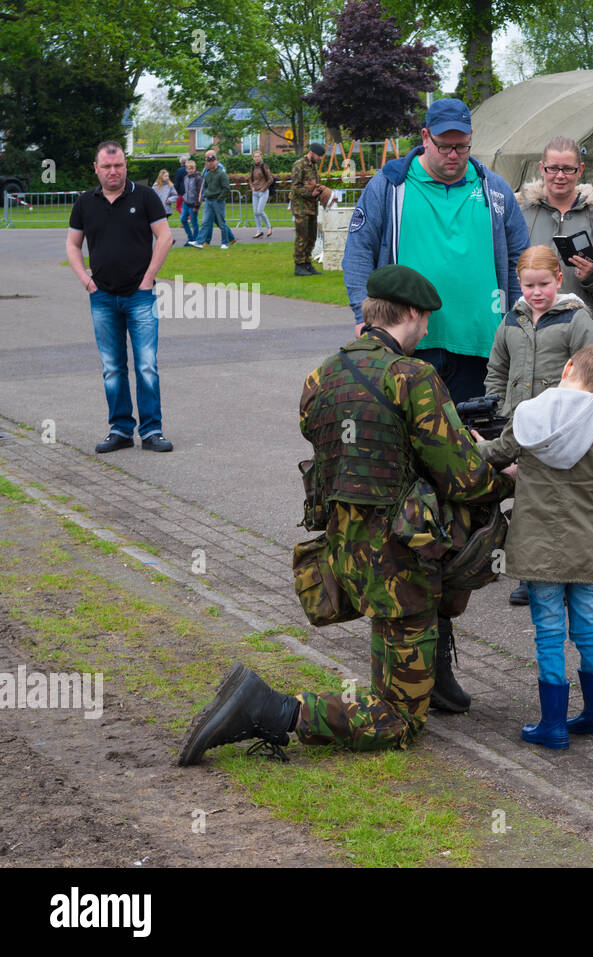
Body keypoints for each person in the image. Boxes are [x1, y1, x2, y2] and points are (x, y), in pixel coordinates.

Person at [177, 265, 516, 765]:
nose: (426, 333)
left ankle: (432, 680)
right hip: (404, 558)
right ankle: (274, 710)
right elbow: (464, 479)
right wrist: (506, 479)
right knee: (398, 719)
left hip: (347, 551)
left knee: (403, 632)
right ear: (413, 315)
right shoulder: (414, 378)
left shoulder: (322, 375)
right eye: (425, 323)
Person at [475, 344, 593, 749]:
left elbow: (498, 454)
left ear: (567, 368)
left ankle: (553, 725)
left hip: (538, 543)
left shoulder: (529, 414)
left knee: (548, 632)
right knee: (587, 628)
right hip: (585, 543)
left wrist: (475, 445)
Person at [342, 97, 529, 404]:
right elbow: (359, 252)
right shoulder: (390, 186)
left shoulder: (493, 189)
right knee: (408, 439)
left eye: (463, 146)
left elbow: (518, 260)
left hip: (480, 343)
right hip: (407, 339)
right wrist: (361, 314)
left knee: (472, 439)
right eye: (445, 146)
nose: (454, 155)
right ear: (426, 137)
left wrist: (519, 320)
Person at [485, 245, 593, 606]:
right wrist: (494, 406)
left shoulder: (576, 319)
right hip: (518, 426)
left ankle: (571, 569)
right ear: (518, 283)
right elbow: (497, 369)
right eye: (528, 285)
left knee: (560, 500)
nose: (536, 293)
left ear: (559, 279)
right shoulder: (511, 319)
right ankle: (530, 574)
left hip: (560, 430)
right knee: (526, 502)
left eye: (543, 284)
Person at [66, 140, 175, 454]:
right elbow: (73, 245)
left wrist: (148, 278)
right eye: (107, 167)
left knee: (146, 366)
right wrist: (86, 281)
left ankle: (152, 431)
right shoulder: (85, 203)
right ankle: (121, 430)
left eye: (119, 166)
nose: (114, 172)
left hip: (139, 297)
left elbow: (165, 236)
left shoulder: (144, 197)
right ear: (96, 168)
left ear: (125, 166)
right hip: (102, 297)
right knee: (112, 367)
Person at [516, 136, 593, 347]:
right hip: (532, 337)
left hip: (586, 337)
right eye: (553, 168)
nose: (560, 176)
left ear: (580, 170)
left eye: (568, 169)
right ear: (541, 168)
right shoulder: (523, 216)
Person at [290, 143, 329, 275]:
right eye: (318, 156)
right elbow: (295, 187)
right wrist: (309, 194)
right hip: (301, 207)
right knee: (302, 236)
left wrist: (320, 190)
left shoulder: (313, 166)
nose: (319, 159)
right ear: (311, 152)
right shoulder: (299, 165)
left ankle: (307, 263)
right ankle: (299, 265)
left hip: (312, 207)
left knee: (312, 237)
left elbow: (312, 184)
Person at [188, 150, 236, 249]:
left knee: (221, 222)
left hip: (217, 201)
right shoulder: (208, 173)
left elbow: (226, 188)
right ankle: (199, 242)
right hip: (208, 201)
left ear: (216, 161)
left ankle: (225, 243)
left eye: (212, 160)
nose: (210, 162)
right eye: (208, 161)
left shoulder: (221, 172)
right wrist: (204, 196)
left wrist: (219, 198)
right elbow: (205, 185)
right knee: (205, 222)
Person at [249, 149, 275, 238]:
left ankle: (269, 226)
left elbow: (270, 179)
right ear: (253, 158)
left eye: (258, 156)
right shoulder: (252, 168)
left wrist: (263, 189)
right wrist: (252, 187)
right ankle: (259, 231)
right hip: (255, 193)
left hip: (263, 192)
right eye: (255, 157)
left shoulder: (264, 166)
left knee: (259, 211)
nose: (257, 158)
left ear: (261, 157)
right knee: (255, 213)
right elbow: (249, 179)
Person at [179, 159, 202, 244]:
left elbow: (199, 192)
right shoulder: (185, 177)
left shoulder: (198, 178)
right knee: (183, 219)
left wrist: (197, 205)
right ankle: (190, 238)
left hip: (193, 204)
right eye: (189, 168)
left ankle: (195, 239)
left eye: (192, 168)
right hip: (186, 203)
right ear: (186, 169)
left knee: (193, 221)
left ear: (195, 168)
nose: (191, 170)